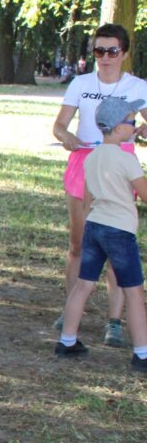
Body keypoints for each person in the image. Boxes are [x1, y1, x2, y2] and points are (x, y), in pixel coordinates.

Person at [50, 24, 147, 347]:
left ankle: (114, 321)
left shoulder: (137, 87)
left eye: (112, 51)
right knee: (79, 242)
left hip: (121, 166)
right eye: (99, 51)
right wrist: (68, 139)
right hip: (85, 161)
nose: (105, 58)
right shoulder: (81, 83)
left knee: (119, 243)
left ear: (124, 53)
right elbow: (59, 125)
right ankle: (70, 312)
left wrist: (140, 131)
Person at [55, 97, 147, 372]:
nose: (136, 126)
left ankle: (67, 340)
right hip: (119, 232)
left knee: (83, 286)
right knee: (133, 292)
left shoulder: (91, 157)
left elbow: (86, 201)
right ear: (119, 128)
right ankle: (142, 353)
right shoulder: (127, 160)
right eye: (133, 122)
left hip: (94, 227)